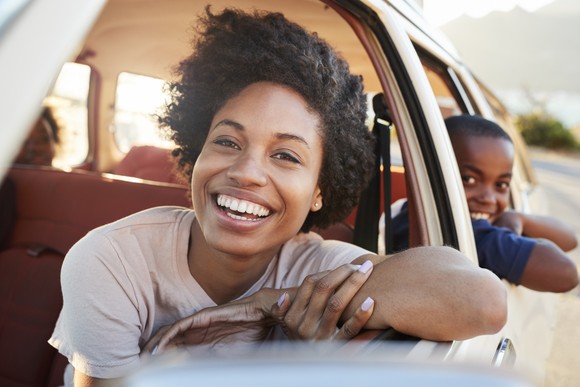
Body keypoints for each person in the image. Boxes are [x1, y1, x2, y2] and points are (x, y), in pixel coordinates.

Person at [48, 8, 507, 386]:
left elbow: (482, 300)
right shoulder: (111, 259)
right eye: (227, 142)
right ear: (195, 150)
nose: (247, 173)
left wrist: (270, 301)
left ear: (319, 191)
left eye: (286, 155)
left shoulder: (317, 270)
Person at [391, 114, 578, 292]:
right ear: (430, 172)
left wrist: (516, 217)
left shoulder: (406, 215)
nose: (489, 198)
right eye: (469, 179)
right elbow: (567, 274)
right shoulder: (476, 236)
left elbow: (571, 240)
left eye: (501, 184)